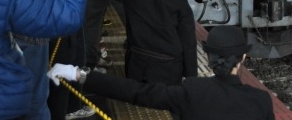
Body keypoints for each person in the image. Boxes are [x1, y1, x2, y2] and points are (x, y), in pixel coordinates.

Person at [48, 26, 275, 120]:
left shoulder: (192, 91)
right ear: (243, 57)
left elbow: (136, 92)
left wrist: (79, 74)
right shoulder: (262, 101)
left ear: (208, 58)